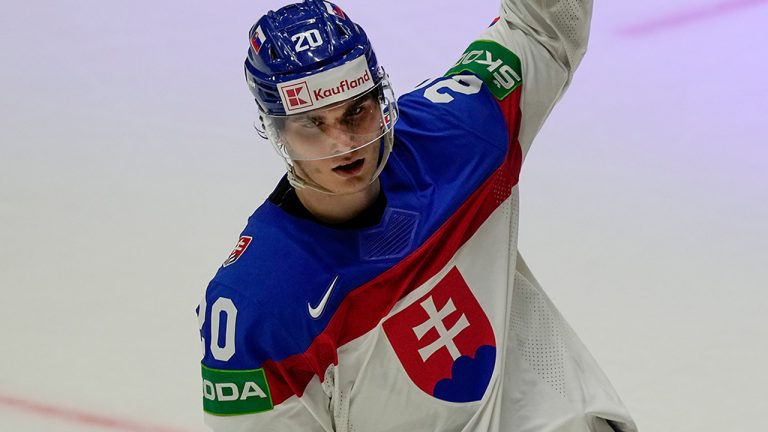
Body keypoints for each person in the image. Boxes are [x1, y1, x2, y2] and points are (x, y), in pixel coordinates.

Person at [196, 0, 638, 431]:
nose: (342, 141)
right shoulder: (255, 304)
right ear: (278, 130)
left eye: (356, 111)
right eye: (313, 124)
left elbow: (540, 28)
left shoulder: (457, 135)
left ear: (379, 97)